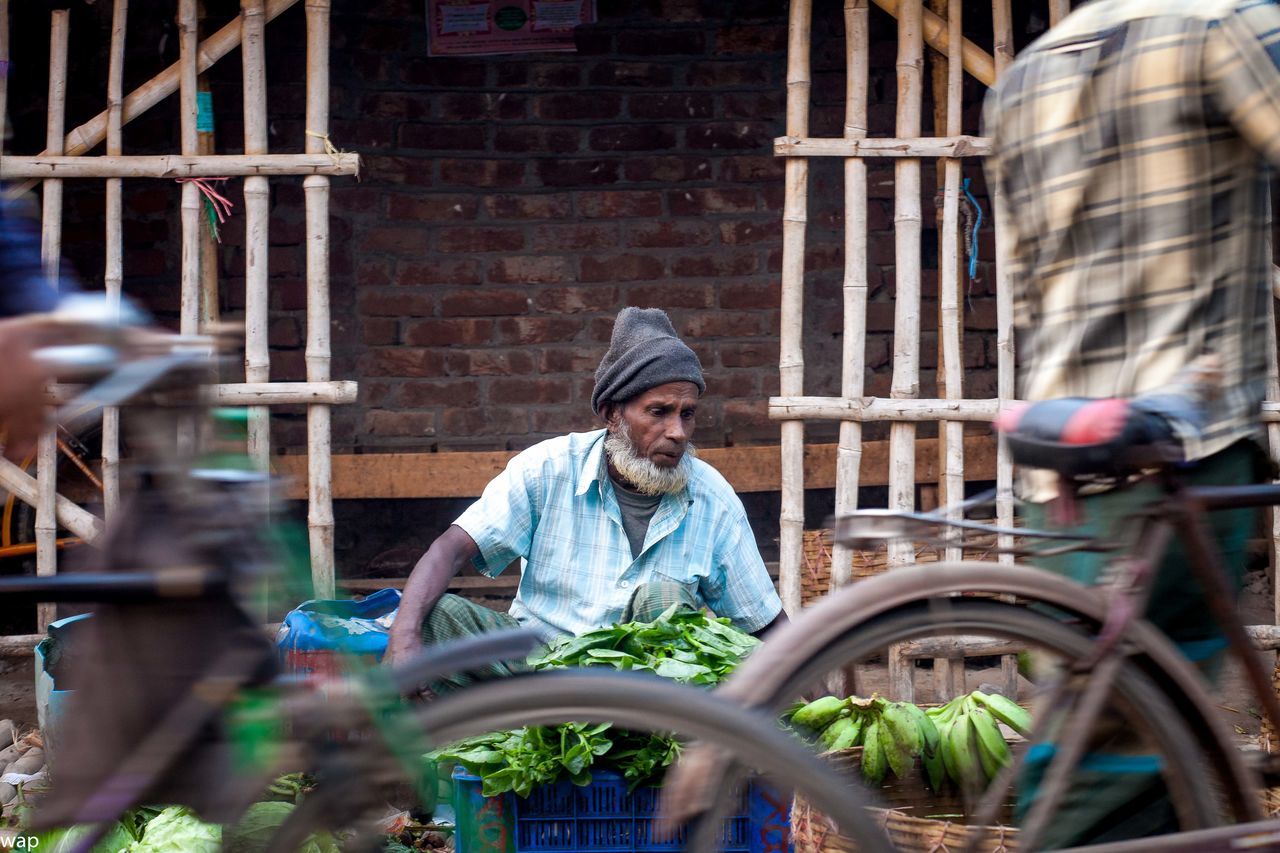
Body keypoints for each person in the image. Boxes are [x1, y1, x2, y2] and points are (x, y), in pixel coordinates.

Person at [984, 0, 1279, 845]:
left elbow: (1030, 289)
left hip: (1063, 464)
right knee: (1120, 764)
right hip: (1180, 439)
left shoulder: (1024, 74)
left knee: (1099, 727)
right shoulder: (1227, 26)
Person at [384, 307, 785, 689]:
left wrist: (826, 711)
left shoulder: (712, 497)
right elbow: (450, 549)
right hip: (535, 668)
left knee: (663, 599)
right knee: (436, 617)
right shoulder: (548, 467)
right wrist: (403, 638)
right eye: (659, 412)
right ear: (612, 414)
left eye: (687, 414)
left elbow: (765, 622)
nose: (678, 431)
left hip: (644, 692)